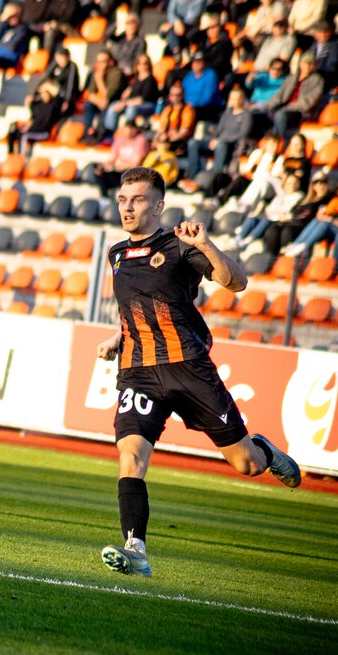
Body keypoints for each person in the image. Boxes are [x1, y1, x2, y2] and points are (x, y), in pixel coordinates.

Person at [96, 166, 301, 579]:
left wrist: (206, 244)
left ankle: (262, 449)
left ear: (159, 206)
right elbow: (135, 305)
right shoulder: (116, 254)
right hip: (138, 371)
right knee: (130, 456)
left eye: (138, 200)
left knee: (246, 464)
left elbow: (236, 282)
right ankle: (136, 549)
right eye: (123, 200)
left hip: (189, 368)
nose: (128, 208)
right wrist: (119, 336)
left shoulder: (179, 245)